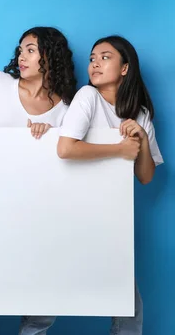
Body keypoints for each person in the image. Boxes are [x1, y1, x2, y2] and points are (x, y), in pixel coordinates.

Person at [0, 26, 77, 335]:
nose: (22, 56)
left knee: (41, 297)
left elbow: (66, 157)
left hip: (36, 213)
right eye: (21, 49)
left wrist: (46, 139)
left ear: (49, 57)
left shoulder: (66, 108)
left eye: (31, 50)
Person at [57, 35, 163, 335]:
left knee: (129, 308)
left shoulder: (140, 114)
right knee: (46, 303)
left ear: (125, 67)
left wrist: (140, 139)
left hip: (111, 220)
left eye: (105, 57)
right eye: (92, 58)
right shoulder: (88, 97)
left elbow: (146, 177)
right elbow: (65, 149)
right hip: (70, 213)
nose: (95, 64)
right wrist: (119, 149)